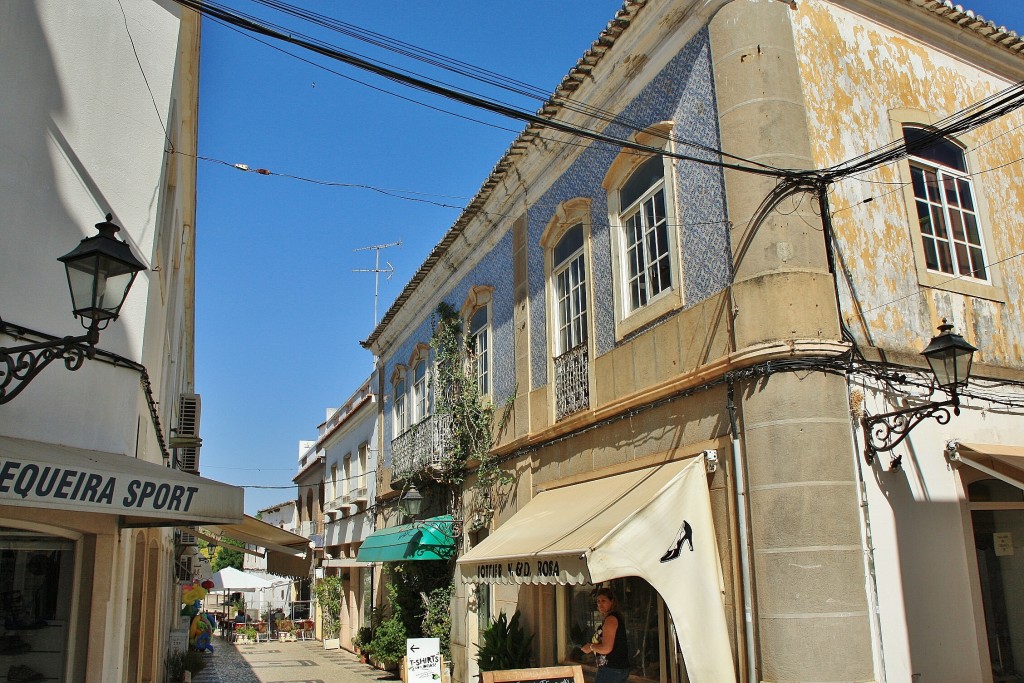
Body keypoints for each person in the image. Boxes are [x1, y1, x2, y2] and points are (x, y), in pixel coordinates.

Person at [580, 588, 631, 683]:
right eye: (598, 601)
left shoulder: (611, 619)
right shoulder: (610, 618)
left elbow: (606, 648)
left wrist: (591, 647)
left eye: (604, 601)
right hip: (615, 668)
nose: (600, 604)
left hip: (611, 669)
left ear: (612, 602)